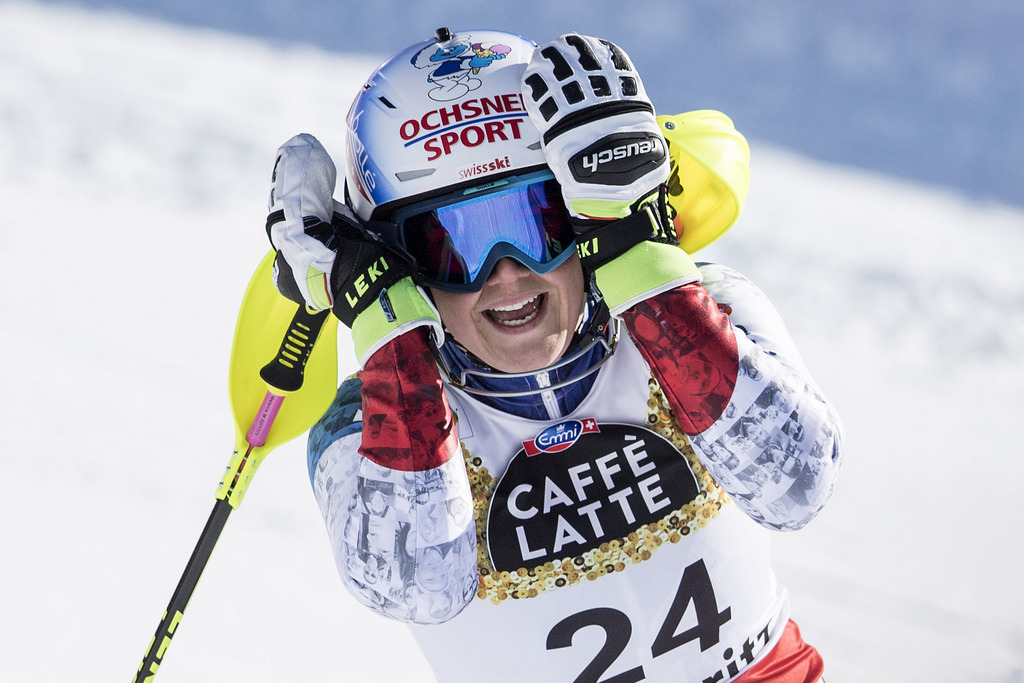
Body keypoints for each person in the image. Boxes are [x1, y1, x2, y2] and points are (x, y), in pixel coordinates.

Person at [266, 28, 843, 683]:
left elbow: (798, 483)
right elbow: (413, 583)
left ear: (583, 215)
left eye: (536, 222)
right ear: (399, 265)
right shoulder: (364, 421)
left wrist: (637, 255)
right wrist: (385, 324)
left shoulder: (703, 305)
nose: (506, 274)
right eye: (453, 245)